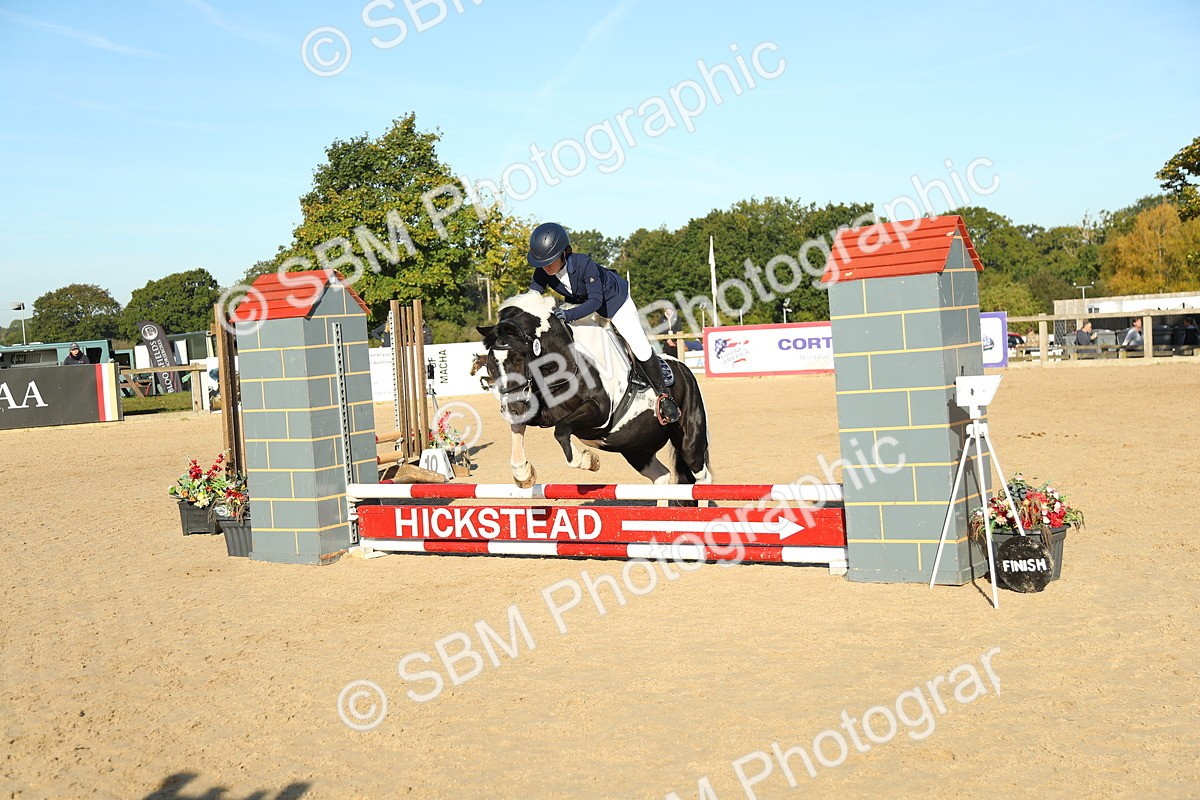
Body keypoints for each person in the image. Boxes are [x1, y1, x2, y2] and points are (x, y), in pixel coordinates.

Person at [526, 222, 681, 424]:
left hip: (613, 302)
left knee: (640, 347)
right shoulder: (542, 271)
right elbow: (532, 296)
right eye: (541, 262)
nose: (545, 266)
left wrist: (569, 315)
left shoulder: (583, 264)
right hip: (582, 305)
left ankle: (664, 396)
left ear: (564, 253)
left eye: (550, 260)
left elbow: (596, 301)